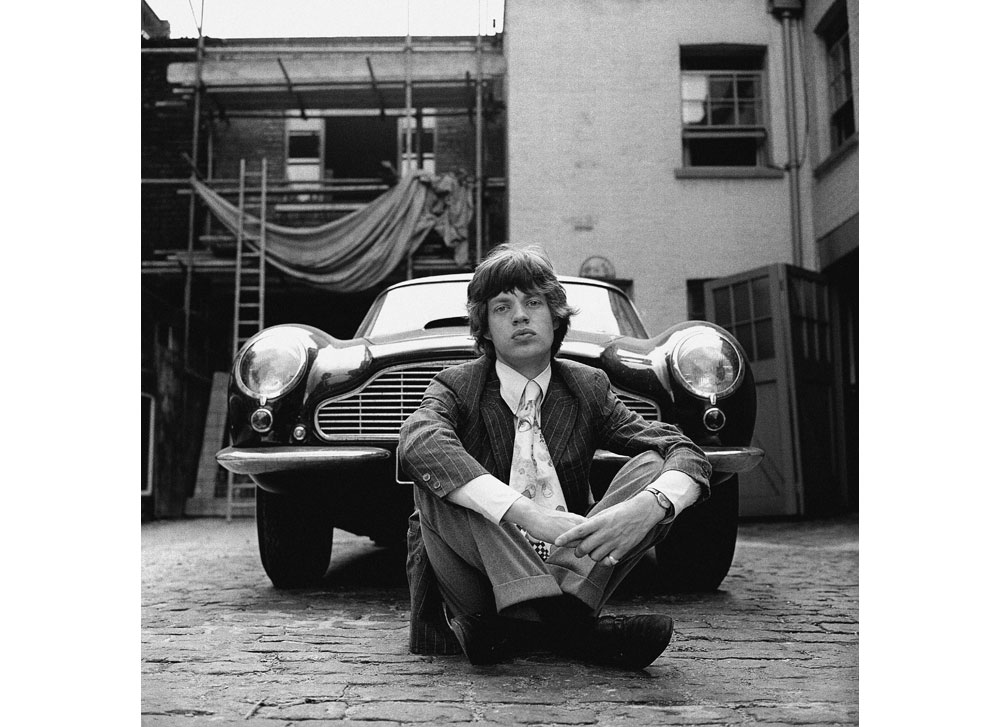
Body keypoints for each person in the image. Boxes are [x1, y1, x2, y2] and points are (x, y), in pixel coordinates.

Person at [398, 243, 712, 668]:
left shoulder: (586, 387)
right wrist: (529, 515)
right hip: (480, 582)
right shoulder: (457, 385)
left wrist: (648, 507)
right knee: (437, 475)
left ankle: (529, 628)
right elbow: (418, 441)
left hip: (573, 571)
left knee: (654, 466)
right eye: (502, 307)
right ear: (485, 328)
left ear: (555, 317)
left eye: (533, 302)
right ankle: (574, 631)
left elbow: (682, 449)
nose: (520, 316)